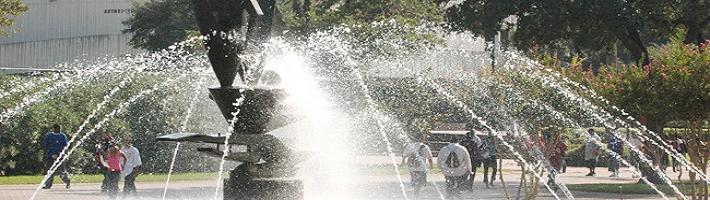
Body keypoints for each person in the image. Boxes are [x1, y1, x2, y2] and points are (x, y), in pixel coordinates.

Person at [42, 124, 71, 189]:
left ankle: (67, 182)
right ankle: (48, 185)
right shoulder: (49, 136)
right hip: (50, 156)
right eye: (57, 129)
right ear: (54, 129)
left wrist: (66, 154)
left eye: (59, 129)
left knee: (62, 171)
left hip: (60, 156)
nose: (59, 130)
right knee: (49, 171)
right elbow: (45, 146)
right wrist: (46, 155)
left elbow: (66, 146)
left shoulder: (62, 136)